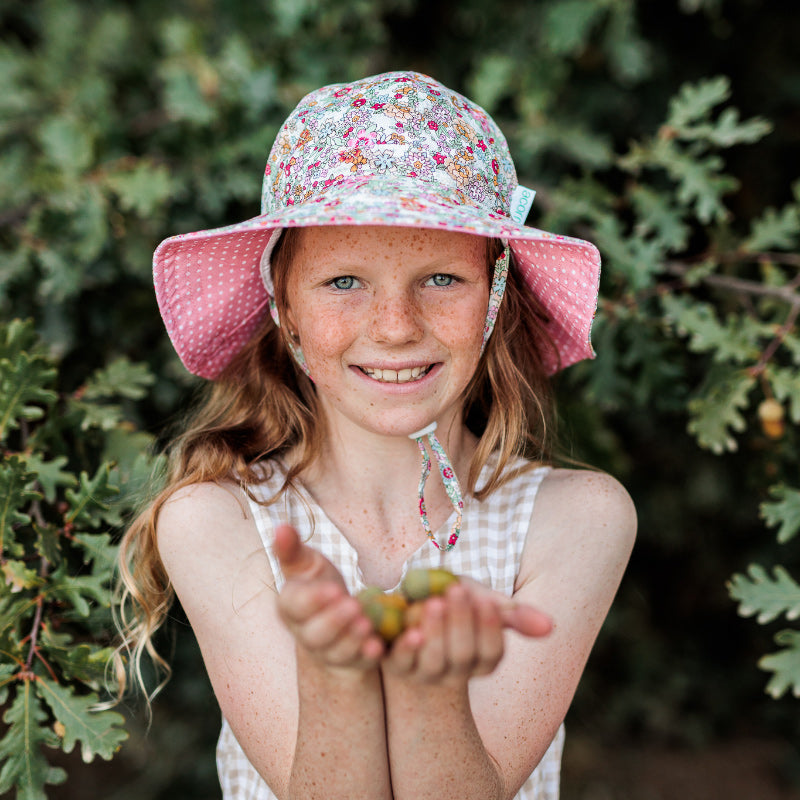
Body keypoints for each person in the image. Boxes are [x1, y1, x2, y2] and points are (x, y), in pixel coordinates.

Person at [118, 70, 636, 800]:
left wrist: (430, 685)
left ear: (496, 297)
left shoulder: (575, 519)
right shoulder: (217, 520)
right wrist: (337, 674)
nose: (395, 327)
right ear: (285, 309)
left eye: (441, 279)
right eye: (343, 282)